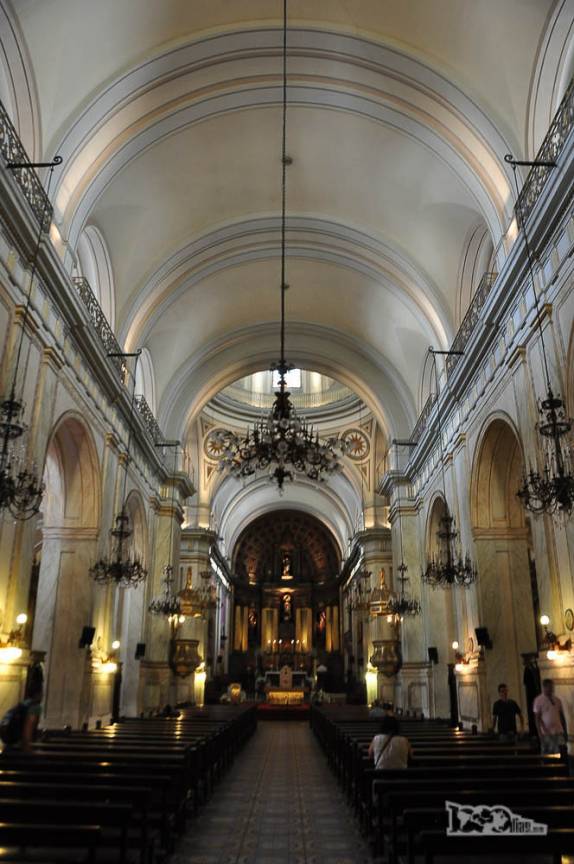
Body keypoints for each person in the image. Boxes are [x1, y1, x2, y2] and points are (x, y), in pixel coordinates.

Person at [533, 678, 567, 754]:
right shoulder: (538, 700)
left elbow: (561, 716)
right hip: (546, 733)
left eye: (552, 687)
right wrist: (540, 734)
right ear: (544, 687)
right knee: (548, 754)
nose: (552, 689)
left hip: (558, 731)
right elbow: (537, 718)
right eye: (550, 687)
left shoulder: (557, 700)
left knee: (561, 753)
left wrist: (565, 730)